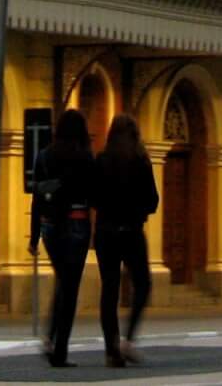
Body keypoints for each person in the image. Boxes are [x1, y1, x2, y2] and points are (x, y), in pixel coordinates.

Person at [29, 109, 96, 367]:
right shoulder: (85, 157)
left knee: (63, 283)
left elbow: (37, 197)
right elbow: (93, 193)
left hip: (50, 227)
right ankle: (59, 349)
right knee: (70, 288)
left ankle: (50, 339)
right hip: (77, 223)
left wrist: (34, 236)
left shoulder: (44, 156)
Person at [93, 114, 160, 367]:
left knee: (109, 289)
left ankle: (112, 348)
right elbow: (153, 200)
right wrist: (137, 209)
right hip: (131, 230)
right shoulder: (141, 161)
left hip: (105, 232)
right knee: (142, 283)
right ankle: (128, 340)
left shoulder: (101, 160)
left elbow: (93, 197)